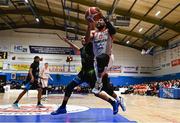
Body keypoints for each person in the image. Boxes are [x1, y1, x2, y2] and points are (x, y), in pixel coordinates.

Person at [51, 36, 126, 115]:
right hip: (83, 73)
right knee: (69, 87)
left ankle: (114, 102)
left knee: (99, 92)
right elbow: (76, 49)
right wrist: (67, 41)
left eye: (84, 38)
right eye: (81, 39)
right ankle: (63, 107)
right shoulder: (82, 50)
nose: (82, 39)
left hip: (92, 74)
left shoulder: (91, 47)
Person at [86, 9, 116, 94]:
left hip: (108, 57)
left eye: (101, 20)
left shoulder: (108, 31)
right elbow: (87, 40)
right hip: (97, 60)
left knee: (101, 58)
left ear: (105, 23)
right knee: (105, 86)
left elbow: (113, 30)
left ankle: (98, 82)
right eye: (98, 20)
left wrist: (102, 16)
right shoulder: (94, 33)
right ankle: (117, 99)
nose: (99, 21)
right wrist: (89, 26)